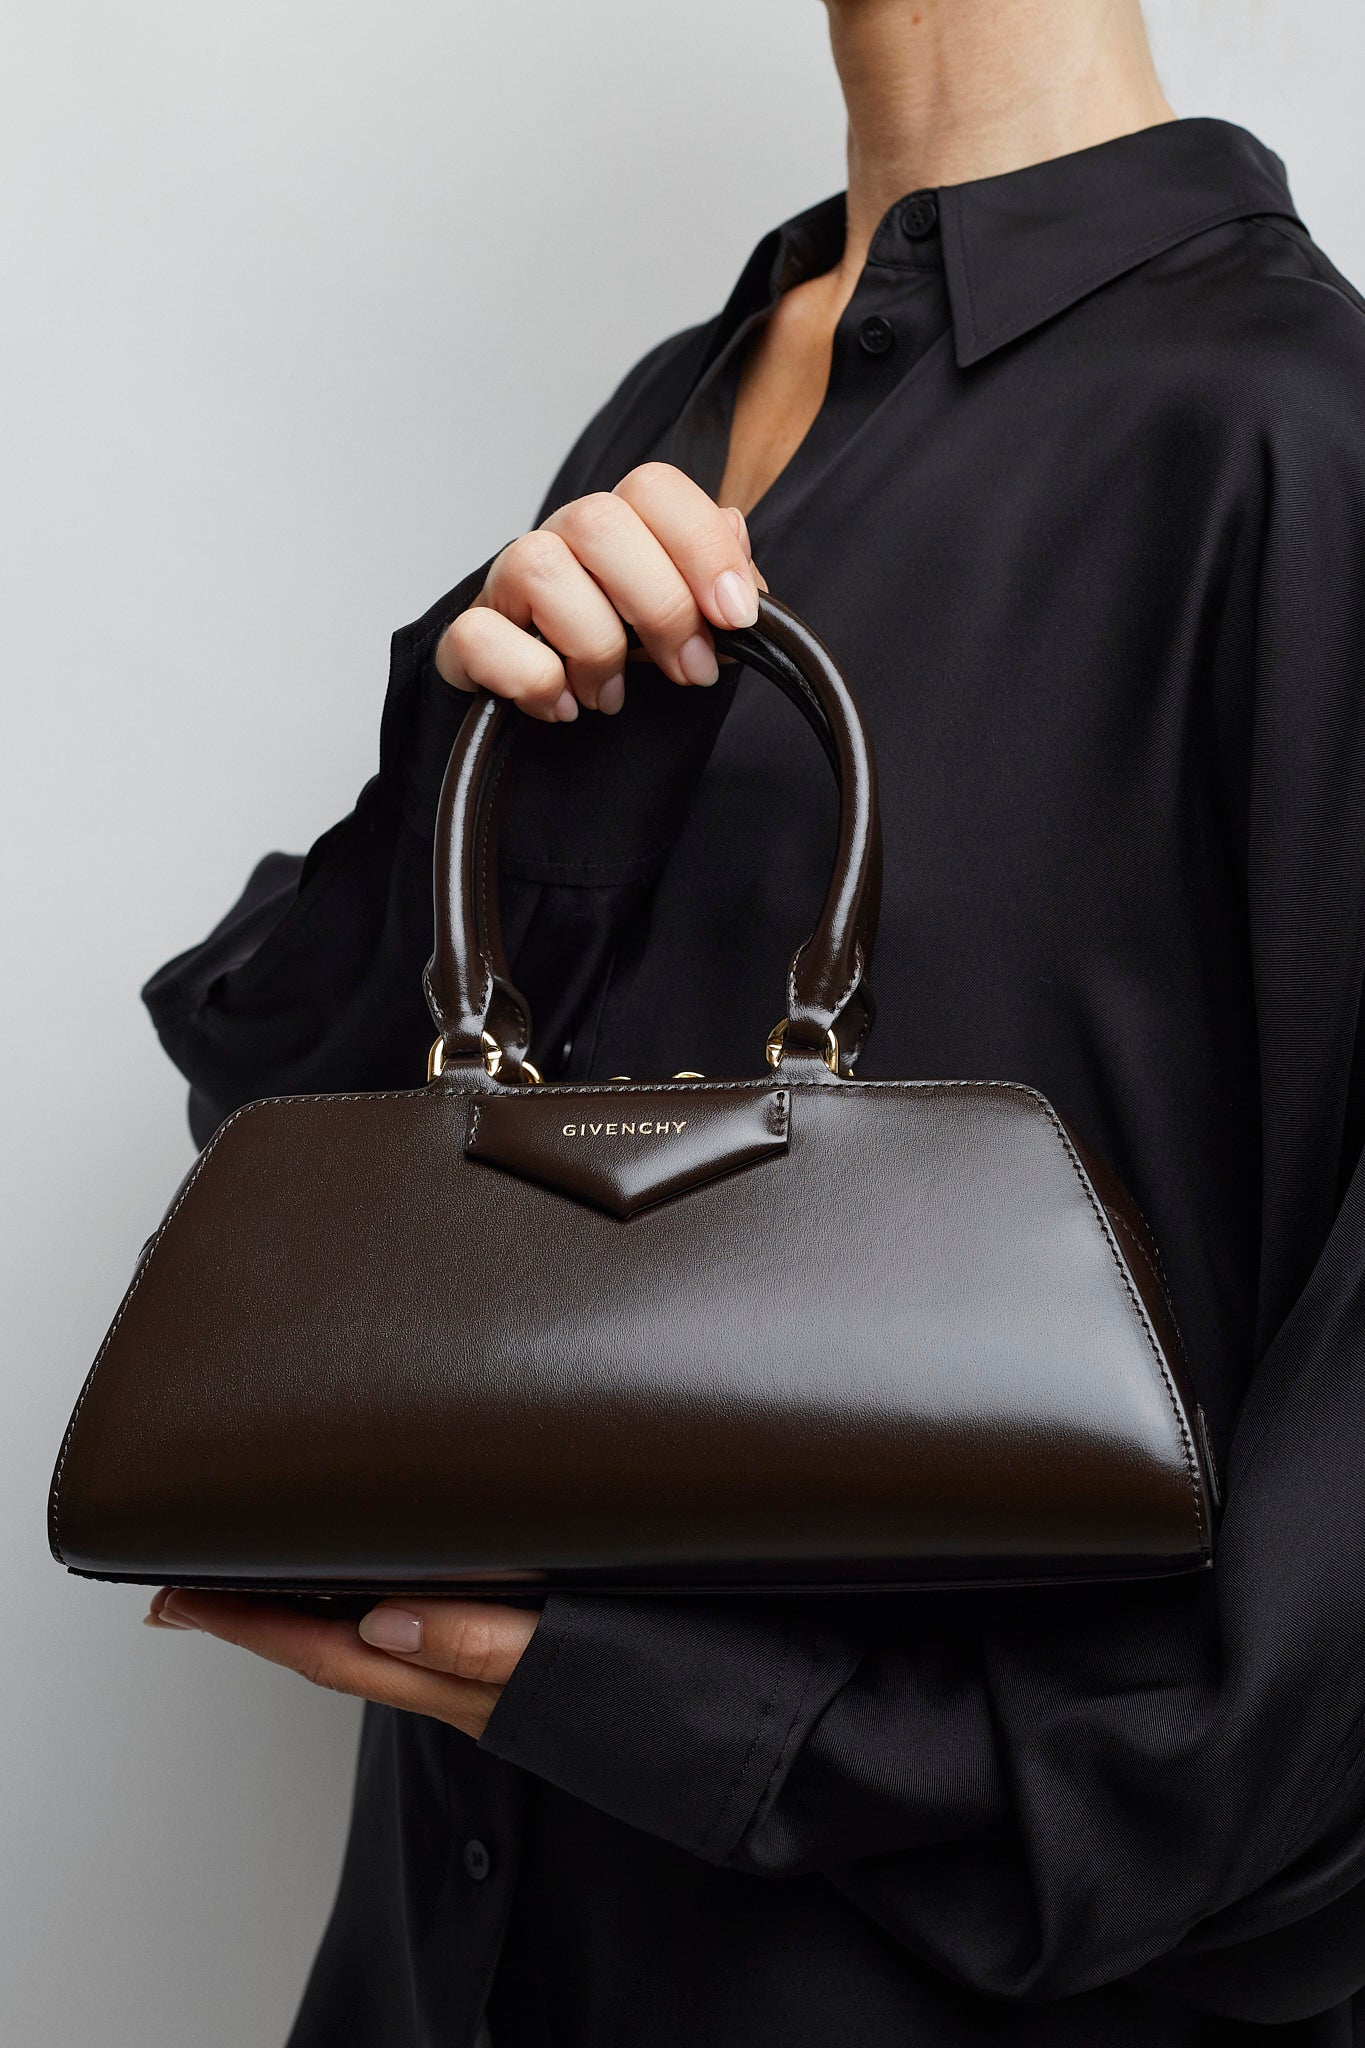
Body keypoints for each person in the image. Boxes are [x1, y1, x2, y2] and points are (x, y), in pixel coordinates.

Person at [137, 0, 1365, 2040]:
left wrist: (713, 1723)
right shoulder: (678, 396)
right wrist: (487, 750)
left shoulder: (1297, 443)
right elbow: (315, 1174)